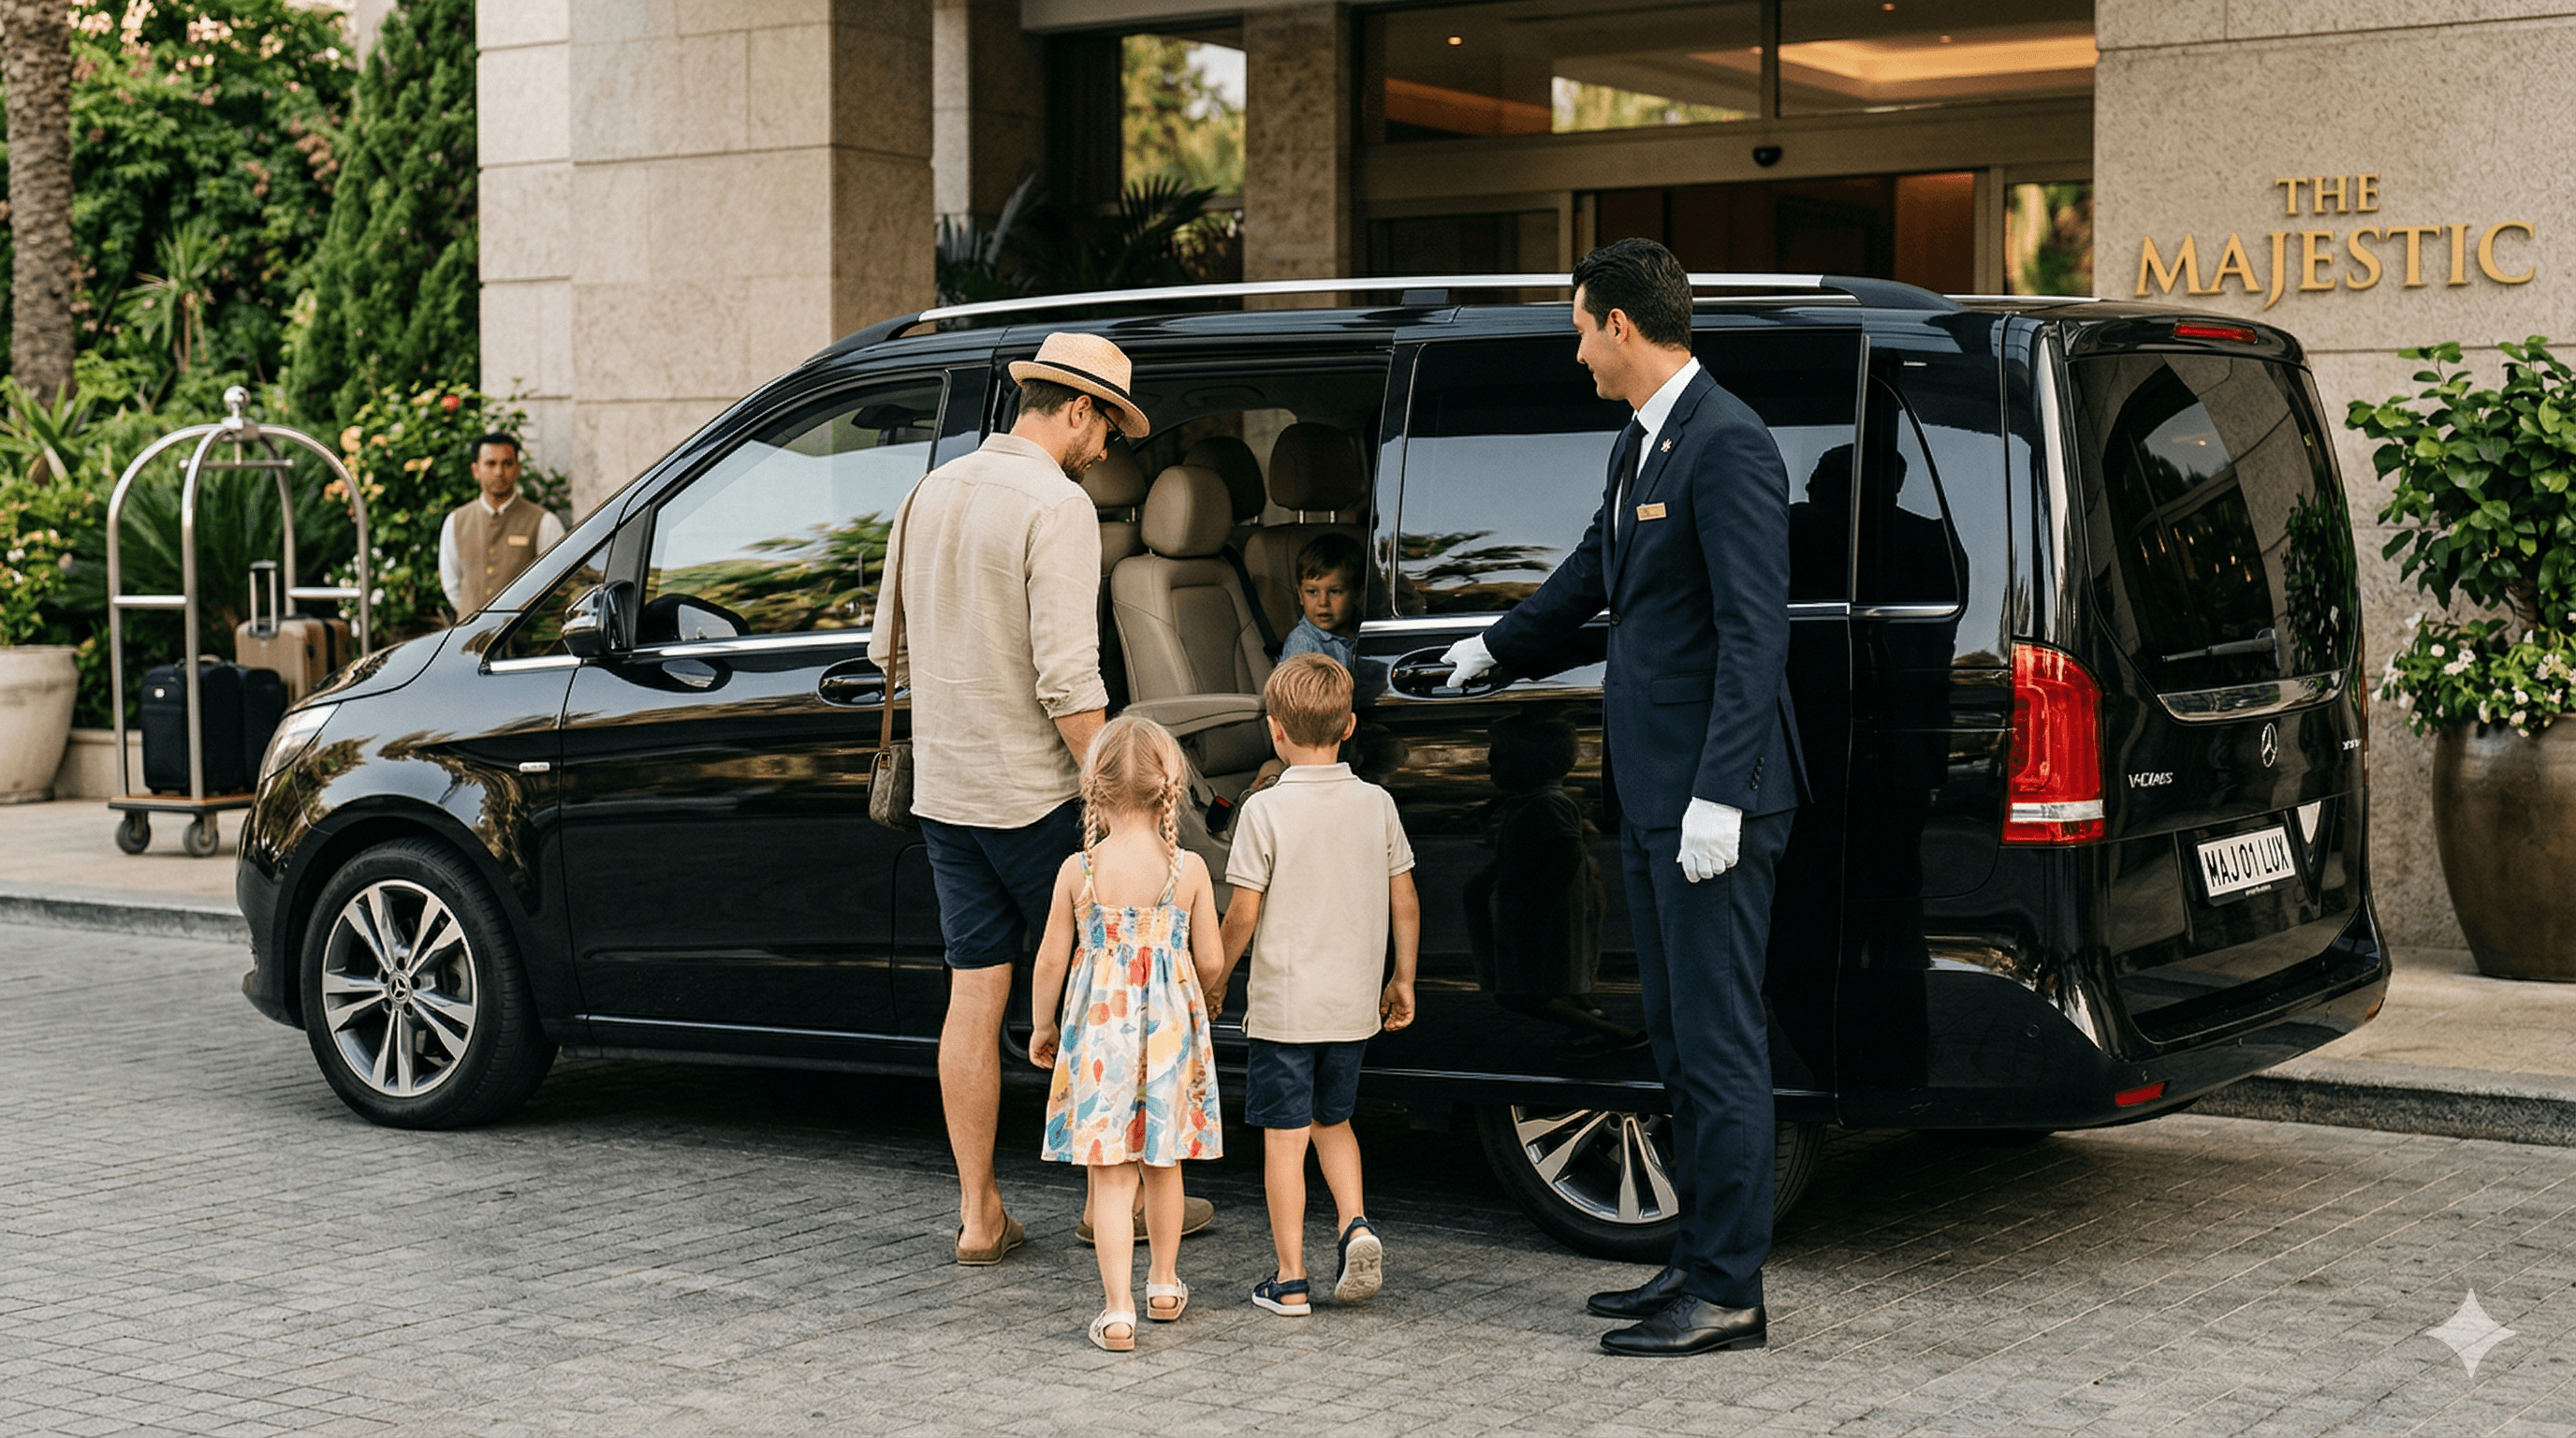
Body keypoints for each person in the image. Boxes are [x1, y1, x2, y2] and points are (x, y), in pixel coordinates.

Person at [1442, 238, 1807, 1357]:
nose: (1576, 351)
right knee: (1676, 1042)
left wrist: (1722, 796)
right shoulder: (1639, 444)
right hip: (1650, 797)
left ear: (1619, 325)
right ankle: (1692, 1265)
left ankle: (1731, 1293)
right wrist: (1489, 650)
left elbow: (1756, 635)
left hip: (1711, 806)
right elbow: (1592, 578)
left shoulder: (1728, 444)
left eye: (1578, 329)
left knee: (1719, 1043)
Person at [870, 330, 1209, 1265]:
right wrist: (1120, 802)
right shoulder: (1054, 507)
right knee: (1111, 996)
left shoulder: (926, 493)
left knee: (973, 998)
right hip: (1038, 801)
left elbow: (883, 650)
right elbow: (1069, 681)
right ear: (1075, 410)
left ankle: (980, 1214)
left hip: (947, 795)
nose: (1108, 450)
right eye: (1108, 428)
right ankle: (1127, 1205)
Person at [1215, 653, 1421, 1317]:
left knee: (1284, 1140)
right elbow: (1406, 901)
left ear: (1275, 731)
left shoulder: (1264, 811)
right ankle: (1355, 1223)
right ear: (1351, 725)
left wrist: (1212, 979)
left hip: (1285, 1013)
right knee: (1335, 1122)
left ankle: (1291, 1277)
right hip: (1352, 1008)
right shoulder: (1377, 803)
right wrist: (1402, 979)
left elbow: (1242, 913)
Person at [1028, 715, 1226, 1352]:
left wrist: (1042, 1022)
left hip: (1098, 1036)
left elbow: (1051, 961)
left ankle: (1117, 1312)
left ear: (1095, 788)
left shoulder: (1078, 870)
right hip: (1169, 1033)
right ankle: (1164, 1285)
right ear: (1171, 785)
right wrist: (1207, 993)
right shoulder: (1188, 869)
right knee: (1163, 1163)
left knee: (1113, 1177)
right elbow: (1214, 959)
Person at [437, 433, 564, 618]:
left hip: (524, 638)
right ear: (475, 471)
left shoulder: (544, 521)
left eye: (507, 463)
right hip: (470, 639)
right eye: (490, 464)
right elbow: (452, 586)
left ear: (518, 469)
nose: (499, 472)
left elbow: (557, 581)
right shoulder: (456, 521)